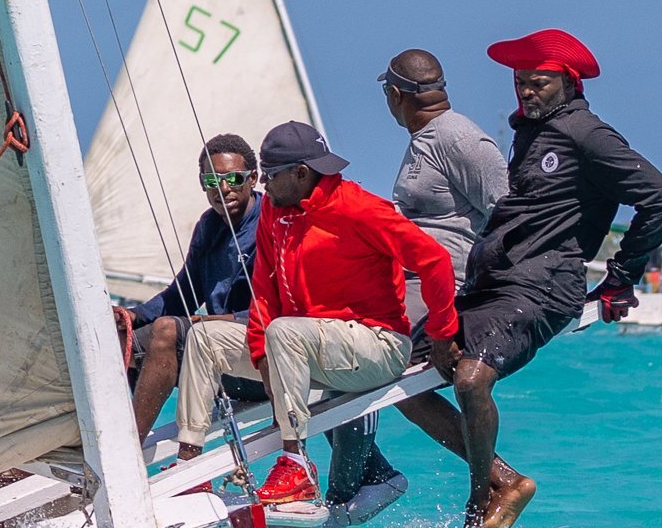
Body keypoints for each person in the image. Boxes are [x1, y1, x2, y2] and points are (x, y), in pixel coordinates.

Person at [409, 28, 662, 528]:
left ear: (567, 82)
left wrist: (623, 276)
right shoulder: (531, 133)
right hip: (495, 284)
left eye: (537, 83)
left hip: (544, 286)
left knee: (470, 377)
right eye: (519, 82)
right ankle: (501, 479)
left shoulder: (588, 134)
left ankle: (478, 497)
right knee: (401, 379)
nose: (526, 92)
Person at [174, 122, 459, 505]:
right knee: (204, 337)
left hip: (376, 346)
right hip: (305, 346)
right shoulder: (276, 214)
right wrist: (261, 357)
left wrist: (443, 332)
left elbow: (434, 261)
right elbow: (264, 293)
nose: (265, 187)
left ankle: (296, 465)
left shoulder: (360, 209)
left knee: (285, 332)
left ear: (302, 174)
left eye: (271, 177)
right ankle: (189, 465)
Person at [312, 48, 513, 528]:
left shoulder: (458, 137)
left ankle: (362, 487)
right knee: (354, 361)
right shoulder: (425, 139)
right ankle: (369, 476)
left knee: (367, 359)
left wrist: (491, 294)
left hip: (442, 280)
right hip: (407, 279)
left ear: (395, 95)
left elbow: (507, 214)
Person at [120, 133, 263, 441]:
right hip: (217, 361)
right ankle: (91, 444)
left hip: (260, 368)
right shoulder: (208, 226)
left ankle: (128, 448)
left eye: (233, 179)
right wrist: (131, 316)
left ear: (253, 178)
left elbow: (267, 316)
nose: (223, 190)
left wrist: (197, 323)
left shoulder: (270, 224)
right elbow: (181, 295)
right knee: (122, 338)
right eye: (212, 182)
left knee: (167, 331)